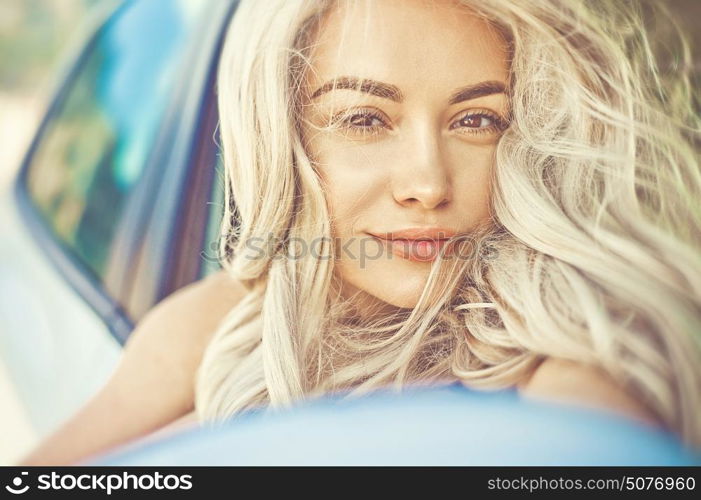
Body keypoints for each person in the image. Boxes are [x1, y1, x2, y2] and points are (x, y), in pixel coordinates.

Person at [18, 0, 701, 465]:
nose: (428, 183)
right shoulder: (218, 326)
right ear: (283, 143)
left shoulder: (560, 356)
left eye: (476, 120)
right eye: (365, 120)